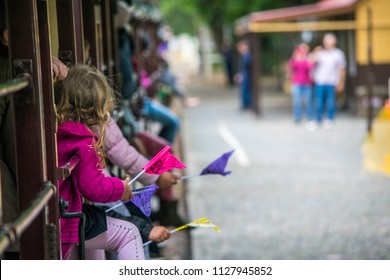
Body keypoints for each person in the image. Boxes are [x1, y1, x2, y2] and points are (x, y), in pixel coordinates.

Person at [54, 64, 145, 260]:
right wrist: (121, 188)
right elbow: (93, 187)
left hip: (59, 214)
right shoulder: (82, 140)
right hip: (65, 220)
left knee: (97, 232)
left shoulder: (58, 130)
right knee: (128, 233)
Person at [312, 33, 346, 130]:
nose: (328, 43)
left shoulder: (338, 54)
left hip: (331, 81)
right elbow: (311, 62)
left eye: (330, 41)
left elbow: (341, 69)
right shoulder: (321, 53)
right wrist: (315, 52)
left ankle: (330, 119)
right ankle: (318, 120)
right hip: (320, 81)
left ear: (334, 42)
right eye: (326, 41)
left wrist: (341, 82)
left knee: (330, 102)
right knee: (318, 102)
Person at [287, 43, 314, 125]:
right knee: (297, 101)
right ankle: (297, 117)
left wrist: (304, 60)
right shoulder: (295, 58)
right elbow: (292, 66)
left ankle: (309, 117)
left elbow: (310, 67)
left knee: (308, 101)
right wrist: (297, 59)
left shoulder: (308, 58)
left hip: (307, 83)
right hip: (297, 83)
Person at [235, 40, 252, 111]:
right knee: (243, 89)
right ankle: (245, 104)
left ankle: (247, 104)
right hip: (243, 73)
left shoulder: (247, 56)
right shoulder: (243, 56)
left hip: (245, 74)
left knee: (245, 89)